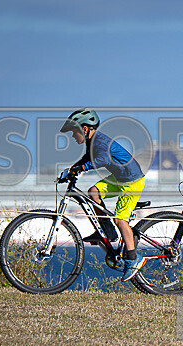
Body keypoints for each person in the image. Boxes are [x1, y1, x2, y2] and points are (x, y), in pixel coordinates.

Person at [59, 108, 147, 282]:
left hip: (132, 181)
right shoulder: (92, 142)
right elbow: (87, 158)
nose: (72, 136)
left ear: (84, 129)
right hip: (120, 177)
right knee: (94, 192)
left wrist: (81, 168)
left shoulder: (100, 142)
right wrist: (72, 169)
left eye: (74, 132)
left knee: (121, 219)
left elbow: (103, 160)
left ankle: (133, 259)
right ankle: (107, 231)